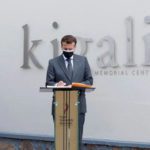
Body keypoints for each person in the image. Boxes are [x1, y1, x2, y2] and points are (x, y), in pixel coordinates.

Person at [46, 35, 93, 149]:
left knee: (76, 139)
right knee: (62, 140)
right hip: (60, 105)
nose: (68, 51)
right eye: (65, 49)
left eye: (70, 49)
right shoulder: (53, 62)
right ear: (61, 46)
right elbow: (48, 82)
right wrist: (57, 84)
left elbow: (89, 80)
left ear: (75, 47)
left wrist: (79, 85)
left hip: (78, 104)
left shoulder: (82, 60)